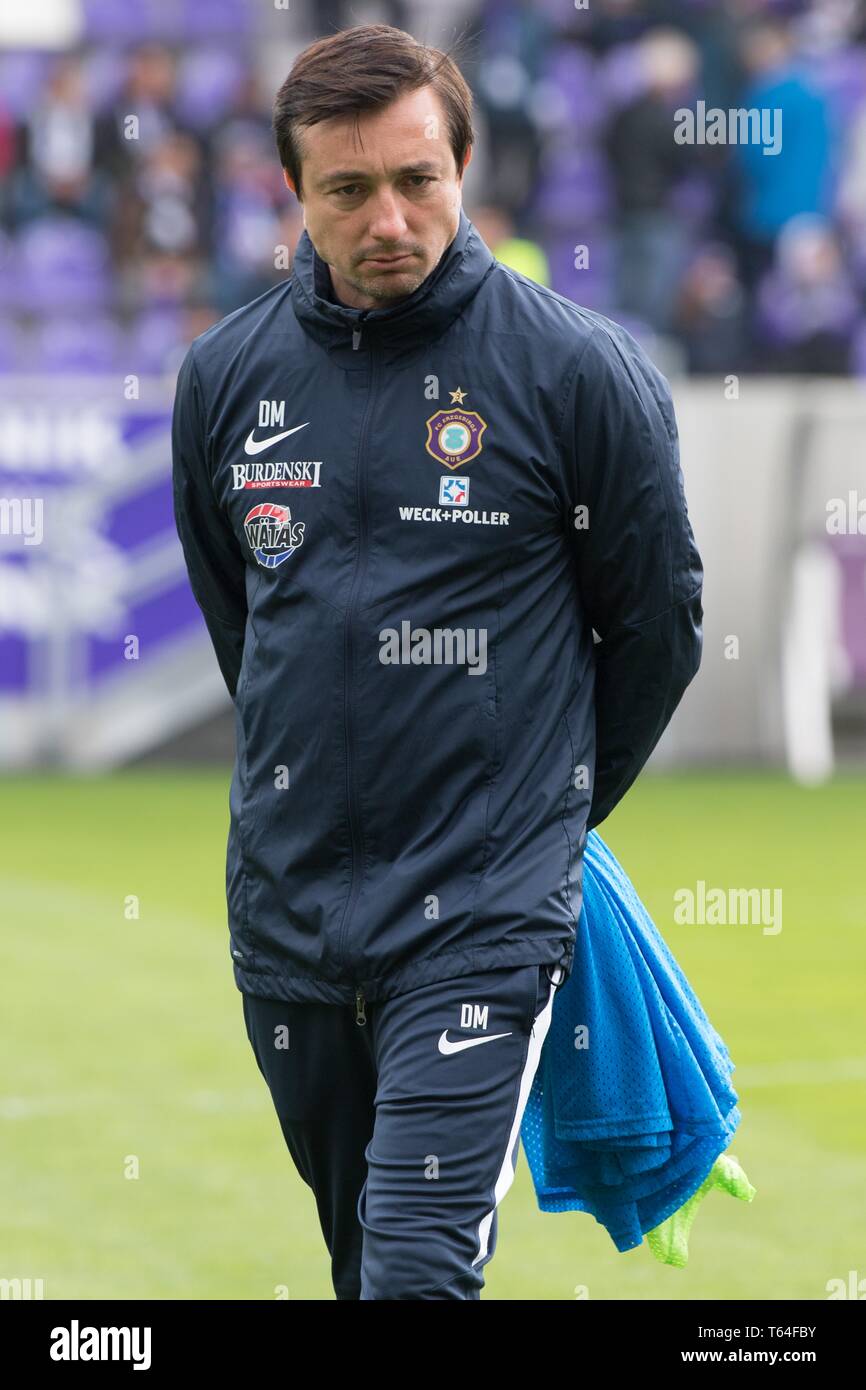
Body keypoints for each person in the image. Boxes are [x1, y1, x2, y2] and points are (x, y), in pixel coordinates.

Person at [171, 22, 704, 1301]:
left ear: (464, 167)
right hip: (289, 920)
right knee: (366, 1265)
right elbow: (248, 632)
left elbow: (655, 634)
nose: (389, 218)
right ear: (293, 196)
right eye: (347, 189)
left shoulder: (576, 373)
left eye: (418, 179)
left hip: (479, 915)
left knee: (415, 1271)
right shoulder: (226, 379)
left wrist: (535, 817)